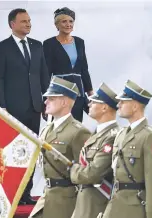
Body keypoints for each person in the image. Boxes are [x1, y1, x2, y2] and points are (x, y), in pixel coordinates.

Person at [0, 8, 49, 204]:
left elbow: (44, 76)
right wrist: (2, 107)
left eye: (29, 21)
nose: (28, 24)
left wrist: (46, 102)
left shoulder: (37, 46)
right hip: (12, 109)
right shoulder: (2, 47)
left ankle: (26, 193)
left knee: (31, 151)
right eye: (24, 21)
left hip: (34, 107)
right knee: (12, 152)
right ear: (12, 24)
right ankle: (11, 194)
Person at [101, 80, 152, 218]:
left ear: (135, 106)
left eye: (123, 102)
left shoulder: (150, 136)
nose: (118, 105)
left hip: (135, 207)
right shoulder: (121, 134)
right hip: (115, 204)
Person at [29, 76, 91, 218]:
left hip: (66, 202)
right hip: (47, 196)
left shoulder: (78, 132)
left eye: (51, 98)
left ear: (64, 102)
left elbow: (85, 174)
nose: (46, 102)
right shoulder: (46, 130)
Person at [69, 83, 119, 218]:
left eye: (94, 101)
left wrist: (73, 170)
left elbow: (93, 173)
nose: (89, 104)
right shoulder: (97, 134)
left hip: (98, 202)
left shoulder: (112, 136)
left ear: (104, 107)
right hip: (85, 201)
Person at [43, 7, 93, 122]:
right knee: (58, 128)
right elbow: (46, 73)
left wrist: (90, 94)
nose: (68, 24)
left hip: (78, 93)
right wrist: (46, 98)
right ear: (57, 25)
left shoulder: (80, 42)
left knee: (75, 127)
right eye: (64, 21)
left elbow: (84, 70)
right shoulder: (49, 44)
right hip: (59, 93)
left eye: (71, 21)